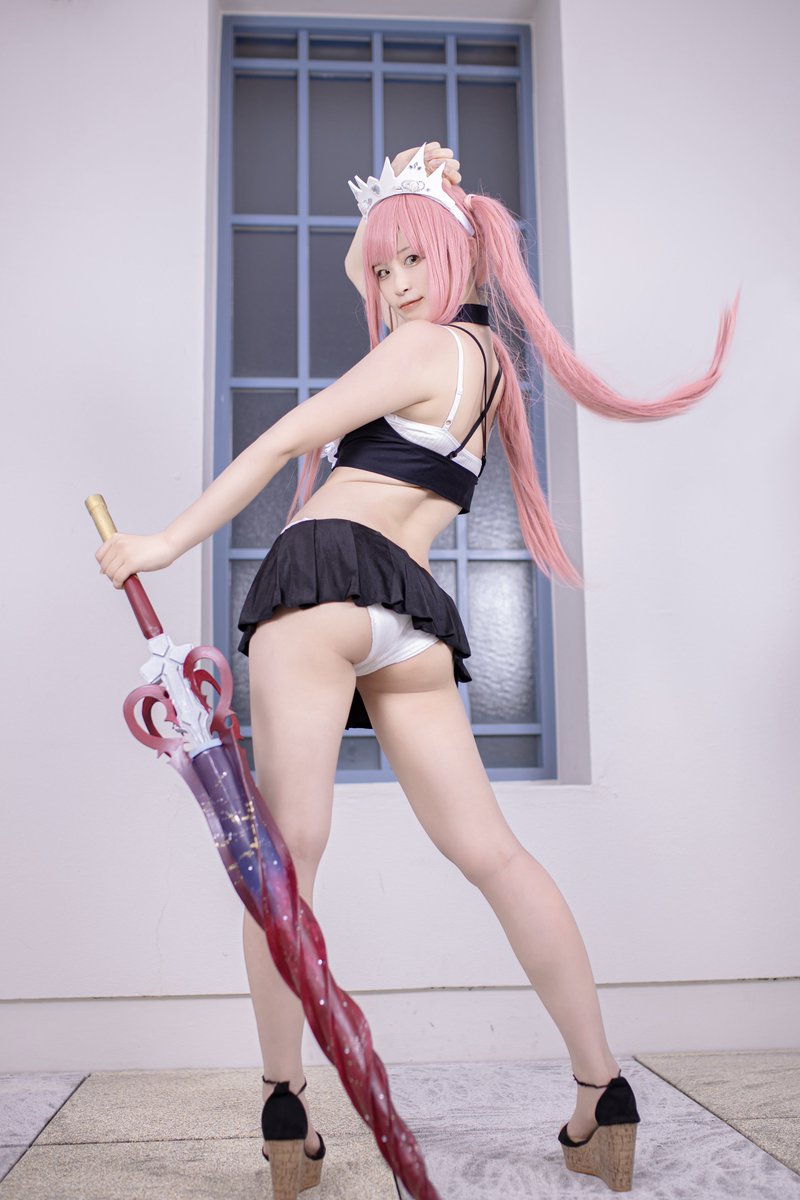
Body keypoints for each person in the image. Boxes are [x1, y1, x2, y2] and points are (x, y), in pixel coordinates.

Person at [96, 140, 738, 1197]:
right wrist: (412, 196)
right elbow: (363, 263)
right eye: (386, 267)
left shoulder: (417, 348)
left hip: (320, 582)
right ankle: (603, 1090)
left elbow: (280, 444)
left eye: (412, 262)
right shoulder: (488, 370)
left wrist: (161, 544)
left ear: (459, 262)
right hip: (409, 613)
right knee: (495, 855)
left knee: (282, 866)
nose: (390, 283)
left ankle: (284, 1105)